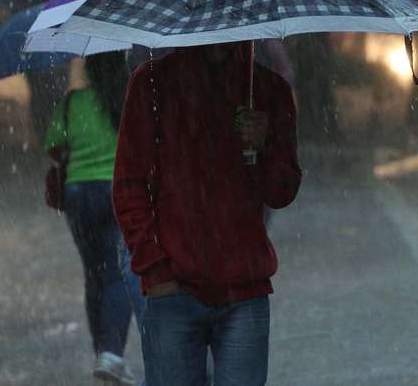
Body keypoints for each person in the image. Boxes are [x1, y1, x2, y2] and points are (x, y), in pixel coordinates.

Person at [113, 42, 302, 386]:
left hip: (245, 291)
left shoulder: (268, 90)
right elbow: (129, 186)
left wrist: (265, 144)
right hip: (173, 291)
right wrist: (156, 271)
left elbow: (282, 191)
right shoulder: (152, 85)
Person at [45, 52, 142, 385]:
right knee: (119, 274)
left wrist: (80, 152)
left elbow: (54, 147)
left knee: (94, 275)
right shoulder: (129, 97)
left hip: (78, 195)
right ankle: (112, 354)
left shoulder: (73, 103)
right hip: (118, 192)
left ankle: (103, 353)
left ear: (88, 65)